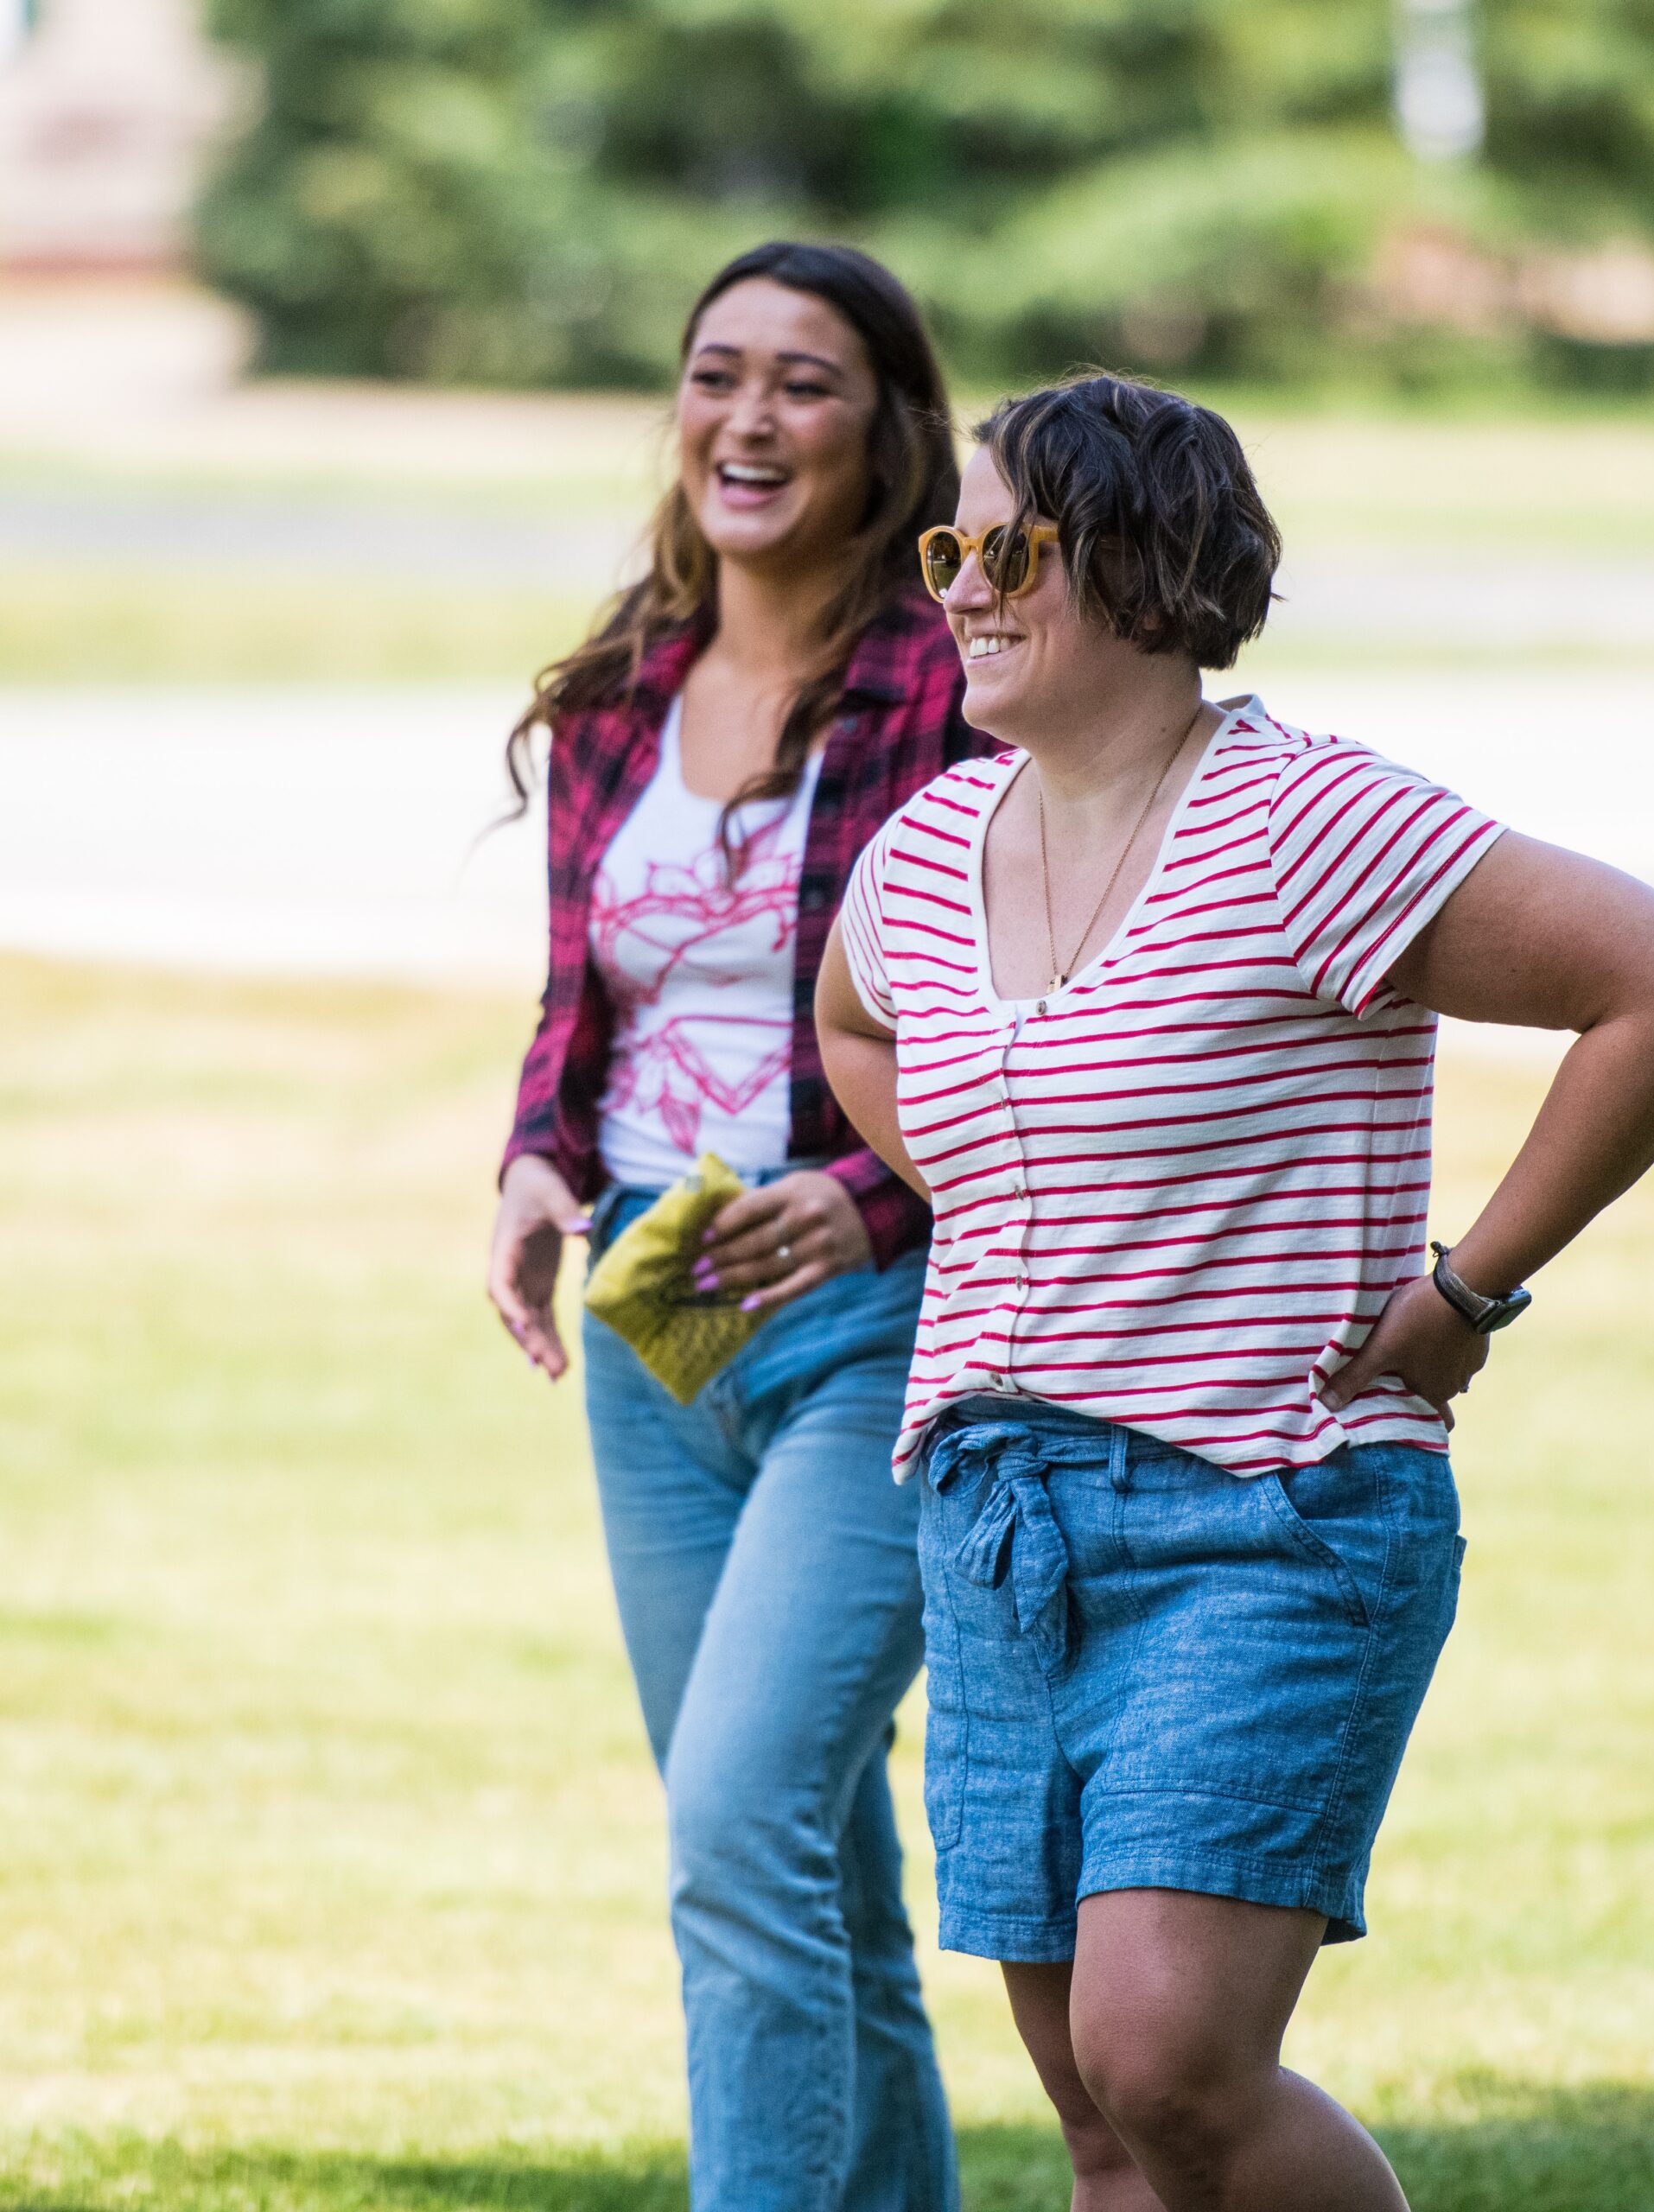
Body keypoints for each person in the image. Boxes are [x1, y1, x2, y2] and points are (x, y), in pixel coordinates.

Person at [814, 373, 1654, 2212]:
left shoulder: (1302, 822)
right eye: (945, 547)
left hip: (1268, 1508)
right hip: (993, 1518)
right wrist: (1007, 1195)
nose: (957, 589)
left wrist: (1467, 1290)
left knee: (1169, 2058)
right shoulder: (926, 852)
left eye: (1002, 544)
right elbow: (858, 1023)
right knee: (1098, 2114)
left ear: (1146, 561)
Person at [487, 241, 989, 2212]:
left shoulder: (954, 691)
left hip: (881, 1316)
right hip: (652, 1307)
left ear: (889, 438)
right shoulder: (624, 685)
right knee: (807, 1859)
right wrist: (536, 1157)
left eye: (806, 383)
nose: (750, 419)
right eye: (719, 375)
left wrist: (869, 1196)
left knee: (736, 1818)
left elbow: (1027, 1017)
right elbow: (579, 993)